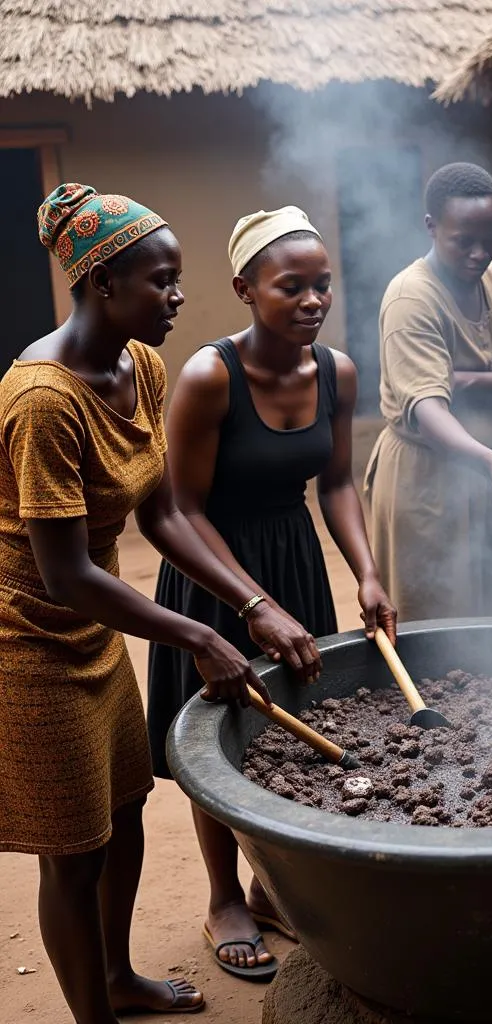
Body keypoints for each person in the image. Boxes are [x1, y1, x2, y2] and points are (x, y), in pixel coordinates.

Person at [0, 183, 320, 1022]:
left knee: (126, 810)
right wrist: (194, 634)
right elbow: (65, 571)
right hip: (27, 643)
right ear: (102, 282)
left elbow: (167, 512)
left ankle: (116, 979)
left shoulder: (140, 365)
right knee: (73, 852)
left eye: (177, 279)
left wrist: (251, 605)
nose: (180, 297)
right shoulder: (41, 400)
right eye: (162, 281)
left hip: (95, 633)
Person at [147, 207, 396, 979]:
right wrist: (252, 605)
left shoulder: (338, 371)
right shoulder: (208, 376)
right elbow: (180, 509)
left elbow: (339, 484)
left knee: (292, 728)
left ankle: (269, 888)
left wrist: (368, 570)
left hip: (293, 564)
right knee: (222, 734)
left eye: (323, 285)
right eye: (293, 287)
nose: (314, 300)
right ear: (246, 289)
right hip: (216, 573)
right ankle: (223, 896)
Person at [365, 162, 492, 621]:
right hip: (427, 479)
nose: (479, 253)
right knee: (434, 620)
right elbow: (427, 408)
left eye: (491, 238)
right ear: (431, 227)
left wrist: (461, 382)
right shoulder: (412, 298)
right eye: (463, 241)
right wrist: (485, 457)